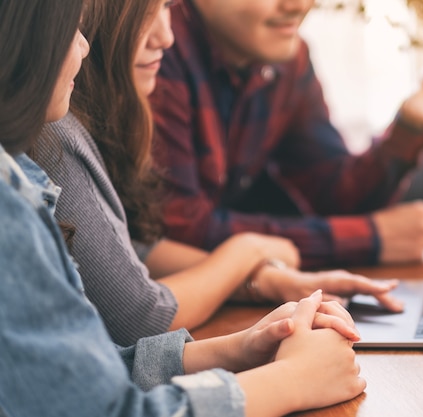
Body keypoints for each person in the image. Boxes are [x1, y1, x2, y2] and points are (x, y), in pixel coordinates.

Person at [0, 0, 365, 415]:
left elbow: (74, 375)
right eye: (75, 28)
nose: (84, 47)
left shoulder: (20, 173)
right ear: (23, 34)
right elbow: (110, 389)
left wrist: (237, 348)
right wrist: (289, 383)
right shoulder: (30, 169)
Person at [33, 0, 403, 347]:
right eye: (149, 12)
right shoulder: (57, 129)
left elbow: (133, 248)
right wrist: (248, 251)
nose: (167, 35)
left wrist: (264, 278)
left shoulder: (97, 113)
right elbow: (140, 315)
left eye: (166, 6)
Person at [149, 0, 423, 269]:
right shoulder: (155, 52)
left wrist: (411, 125)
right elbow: (178, 231)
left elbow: (335, 196)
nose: (300, 5)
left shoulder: (289, 57)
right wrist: (368, 238)